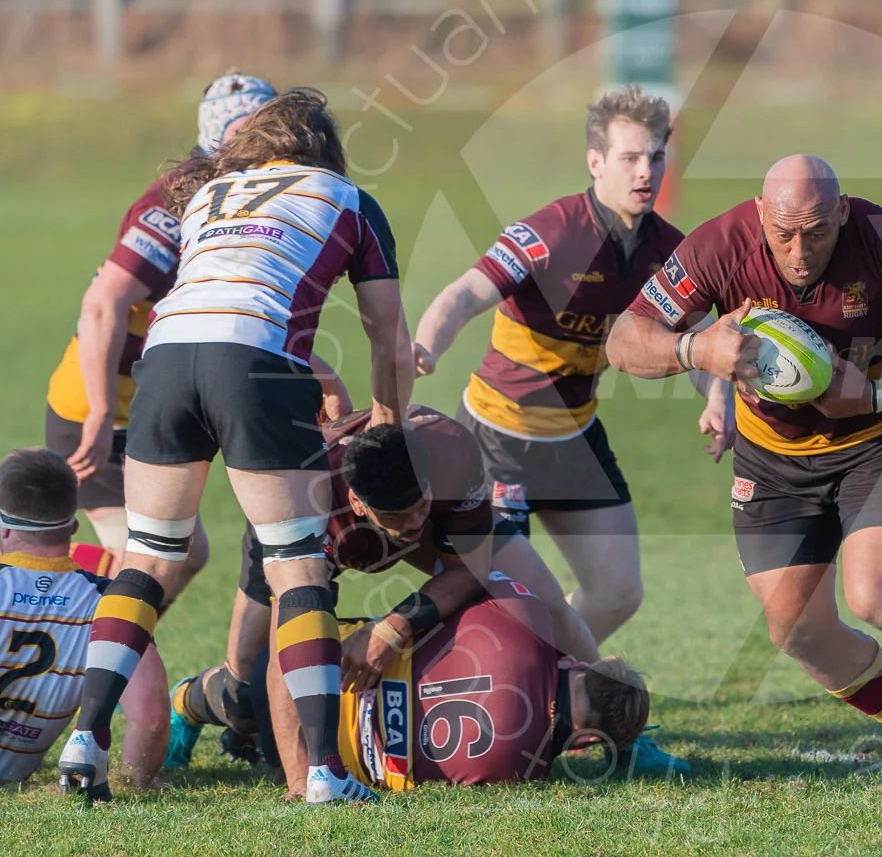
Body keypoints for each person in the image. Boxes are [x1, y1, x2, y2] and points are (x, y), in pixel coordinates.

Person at [58, 88, 413, 805]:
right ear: (325, 147)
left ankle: (84, 740)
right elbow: (388, 335)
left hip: (161, 365)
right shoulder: (348, 198)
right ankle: (324, 772)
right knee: (298, 570)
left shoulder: (212, 192)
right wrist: (386, 421)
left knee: (148, 561)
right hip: (252, 366)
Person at [606, 154, 882, 784]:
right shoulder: (721, 245)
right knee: (795, 631)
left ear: (842, 210)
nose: (799, 250)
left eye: (815, 232)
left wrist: (875, 395)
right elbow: (624, 338)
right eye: (783, 234)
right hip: (774, 460)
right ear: (760, 216)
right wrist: (696, 348)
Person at [414, 85, 727, 774]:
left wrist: (716, 399)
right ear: (595, 162)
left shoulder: (669, 252)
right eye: (630, 158)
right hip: (498, 439)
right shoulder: (553, 230)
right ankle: (519, 706)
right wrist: (428, 345)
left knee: (617, 591)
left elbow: (702, 339)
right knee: (510, 602)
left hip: (576, 436)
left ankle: (562, 696)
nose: (646, 172)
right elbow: (465, 292)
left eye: (656, 158)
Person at [166, 404, 603, 766]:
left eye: (420, 507)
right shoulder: (309, 508)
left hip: (415, 508)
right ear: (358, 503)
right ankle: (189, 702)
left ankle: (621, 729)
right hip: (316, 534)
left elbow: (470, 570)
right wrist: (301, 783)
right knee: (247, 687)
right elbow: (289, 648)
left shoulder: (450, 451)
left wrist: (390, 629)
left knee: (547, 600)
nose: (413, 524)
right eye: (399, 517)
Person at [42, 73, 277, 607]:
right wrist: (101, 413)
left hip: (149, 406)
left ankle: (84, 653)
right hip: (96, 409)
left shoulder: (239, 196)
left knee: (176, 555)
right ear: (224, 136)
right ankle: (58, 637)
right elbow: (104, 302)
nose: (268, 145)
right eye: (252, 132)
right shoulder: (176, 202)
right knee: (150, 561)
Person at [188, 580, 649, 794]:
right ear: (586, 741)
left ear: (579, 665)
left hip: (310, 656)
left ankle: (189, 704)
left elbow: (477, 565)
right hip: (299, 754)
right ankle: (225, 718)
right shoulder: (521, 777)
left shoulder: (527, 620)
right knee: (248, 711)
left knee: (237, 692)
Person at [0, 449, 168, 794]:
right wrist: (133, 785)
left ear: (2, 527)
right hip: (12, 775)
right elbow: (151, 720)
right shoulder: (114, 605)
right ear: (73, 526)